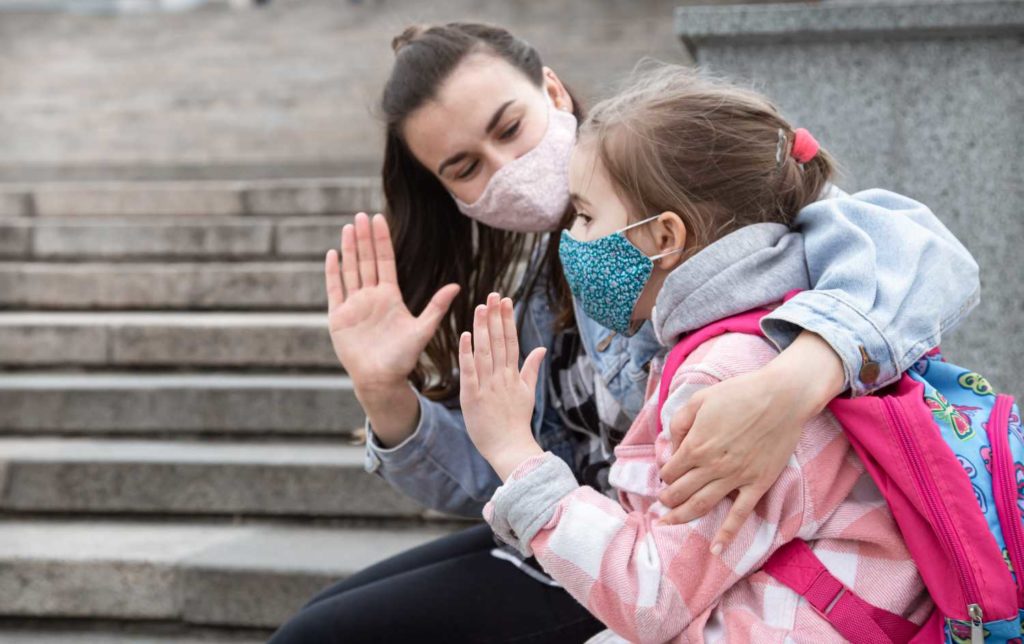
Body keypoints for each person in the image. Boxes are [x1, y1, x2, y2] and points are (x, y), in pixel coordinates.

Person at [268, 23, 976, 643]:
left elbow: (918, 251)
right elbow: (503, 470)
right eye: (465, 167)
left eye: (508, 128)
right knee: (323, 616)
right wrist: (386, 393)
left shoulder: (673, 175)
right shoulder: (539, 279)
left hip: (658, 563)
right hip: (591, 530)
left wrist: (797, 381)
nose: (503, 168)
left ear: (550, 90)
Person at [464, 63, 934, 643]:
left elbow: (653, 597)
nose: (573, 238)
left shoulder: (723, 375)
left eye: (585, 215)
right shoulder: (780, 318)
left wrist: (514, 452)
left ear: (664, 237)